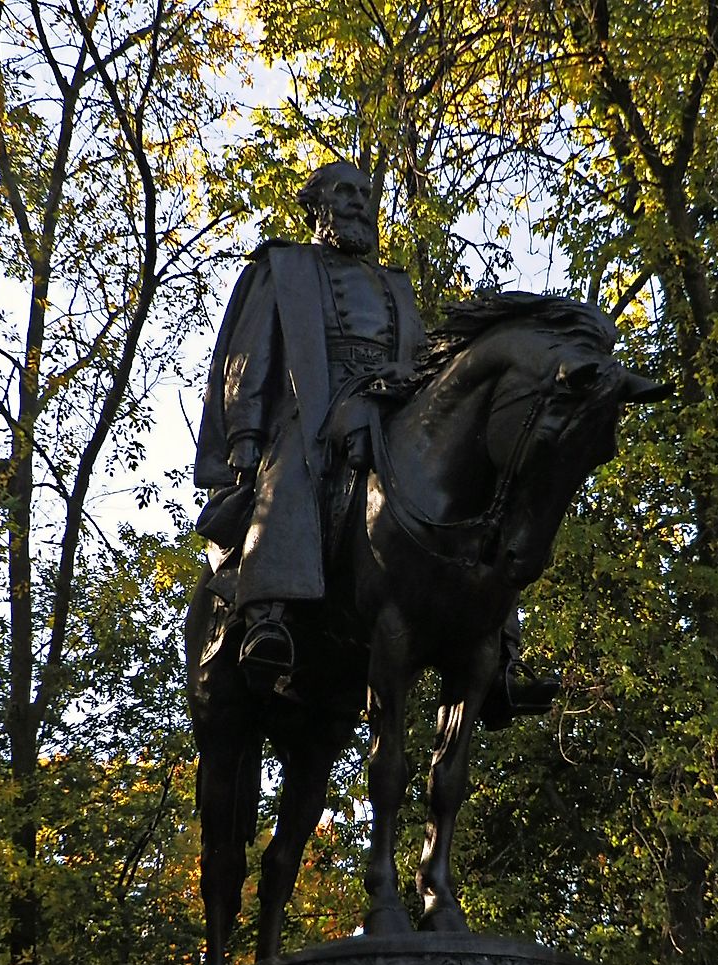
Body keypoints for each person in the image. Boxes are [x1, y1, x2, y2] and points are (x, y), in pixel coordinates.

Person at [193, 159, 557, 724]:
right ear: (316, 206)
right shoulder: (284, 268)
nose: (362, 202)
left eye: (366, 193)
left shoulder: (395, 285)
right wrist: (244, 436)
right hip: (313, 410)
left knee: (472, 491)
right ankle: (268, 614)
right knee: (292, 465)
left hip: (391, 409)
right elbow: (251, 355)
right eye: (346, 192)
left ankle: (502, 657)